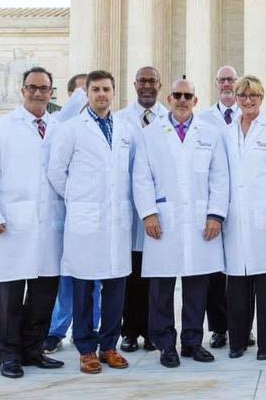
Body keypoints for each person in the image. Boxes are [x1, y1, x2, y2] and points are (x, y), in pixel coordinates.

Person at [0, 66, 83, 378]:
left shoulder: (60, 128)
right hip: (11, 223)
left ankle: (33, 350)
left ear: (52, 93)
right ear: (23, 90)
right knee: (8, 294)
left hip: (50, 224)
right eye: (32, 87)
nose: (38, 93)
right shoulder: (2, 128)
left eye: (44, 88)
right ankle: (8, 355)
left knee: (43, 293)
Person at [133, 79, 230, 368]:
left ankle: (191, 341)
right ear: (169, 98)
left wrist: (215, 214)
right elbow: (141, 177)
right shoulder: (151, 134)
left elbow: (220, 177)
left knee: (196, 285)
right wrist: (149, 213)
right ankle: (165, 344)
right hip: (163, 220)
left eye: (188, 95)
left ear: (195, 100)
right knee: (161, 286)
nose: (182, 100)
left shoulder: (210, 134)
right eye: (177, 95)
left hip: (200, 220)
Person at [46, 70, 136, 374]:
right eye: (95, 89)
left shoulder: (124, 128)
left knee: (115, 286)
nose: (101, 94)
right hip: (85, 219)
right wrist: (78, 197)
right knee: (83, 286)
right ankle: (86, 348)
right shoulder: (72, 129)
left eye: (106, 89)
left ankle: (109, 346)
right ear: (87, 94)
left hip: (116, 221)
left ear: (114, 92)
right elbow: (57, 171)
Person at [223, 75, 266, 361]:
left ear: (262, 99)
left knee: (265, 282)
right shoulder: (227, 131)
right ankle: (237, 341)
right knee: (237, 283)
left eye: (253, 96)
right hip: (236, 217)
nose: (248, 101)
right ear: (235, 99)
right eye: (243, 96)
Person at [43, 73, 102, 355]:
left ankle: (94, 325)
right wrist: (76, 196)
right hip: (68, 211)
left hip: (98, 213)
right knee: (68, 275)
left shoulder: (105, 126)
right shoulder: (61, 125)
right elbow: (55, 170)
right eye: (81, 92)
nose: (86, 97)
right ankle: (56, 329)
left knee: (99, 274)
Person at [114, 66, 168, 353]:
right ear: (134, 84)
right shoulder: (120, 120)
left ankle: (154, 330)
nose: (147, 86)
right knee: (131, 273)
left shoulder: (168, 120)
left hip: (160, 207)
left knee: (157, 274)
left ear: (160, 85)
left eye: (152, 81)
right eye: (142, 81)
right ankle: (130, 330)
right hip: (129, 209)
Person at [195, 65, 240, 349]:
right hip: (211, 201)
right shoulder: (203, 120)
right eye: (222, 80)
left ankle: (242, 325)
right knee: (213, 271)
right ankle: (219, 328)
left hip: (241, 202)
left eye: (231, 80)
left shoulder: (250, 116)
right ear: (215, 84)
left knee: (241, 269)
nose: (226, 84)